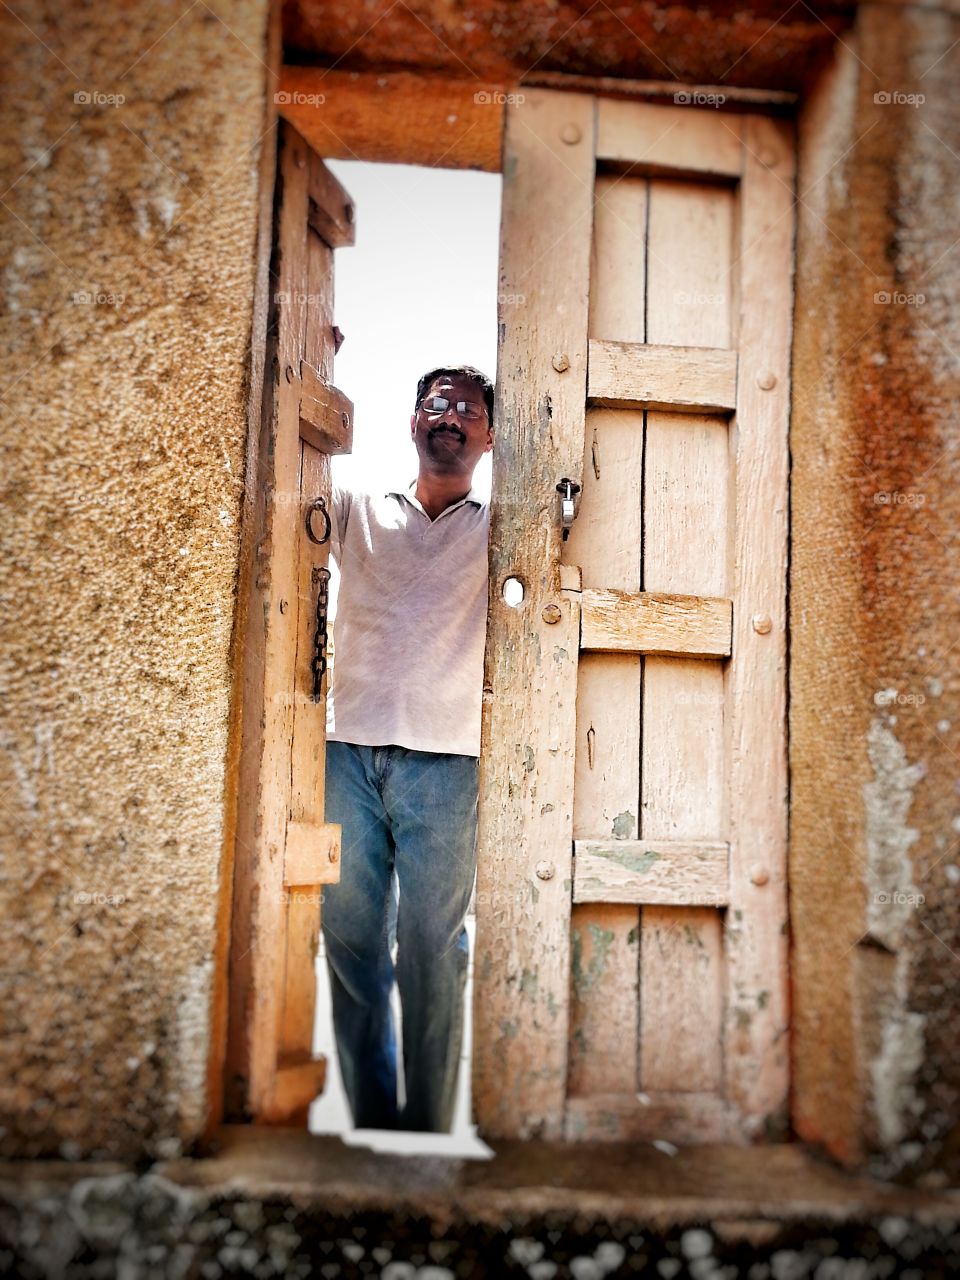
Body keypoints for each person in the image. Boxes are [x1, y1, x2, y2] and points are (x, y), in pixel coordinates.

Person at [320, 365, 494, 1132]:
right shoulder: (358, 513)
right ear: (413, 424)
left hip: (447, 764)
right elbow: (288, 464)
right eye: (436, 404)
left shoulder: (502, 528)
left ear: (489, 437)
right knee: (352, 941)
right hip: (345, 755)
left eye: (467, 408)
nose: (449, 416)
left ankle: (424, 1127)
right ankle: (376, 1123)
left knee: (431, 947)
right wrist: (315, 357)